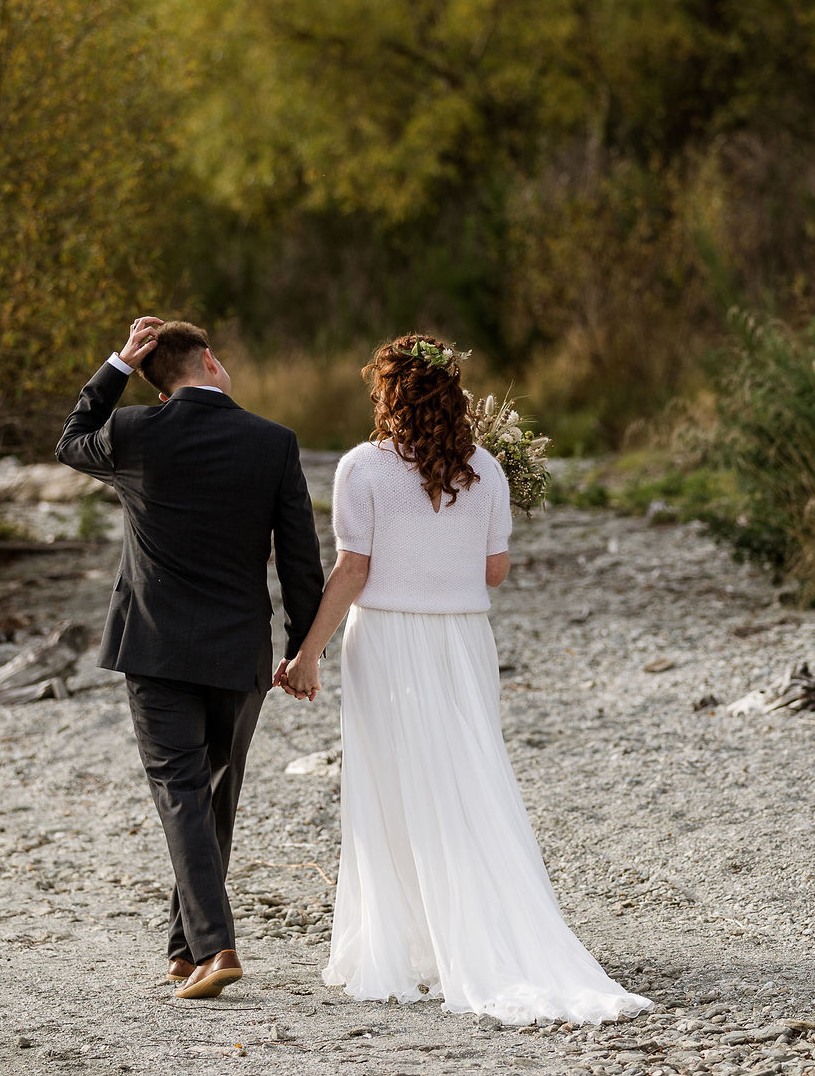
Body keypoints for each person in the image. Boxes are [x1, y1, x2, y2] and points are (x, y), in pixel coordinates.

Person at [275, 334, 651, 1026]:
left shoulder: (361, 467)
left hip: (386, 638)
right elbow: (494, 570)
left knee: (393, 784)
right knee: (468, 775)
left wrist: (307, 653)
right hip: (462, 640)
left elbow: (353, 570)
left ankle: (406, 947)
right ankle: (469, 933)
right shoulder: (486, 469)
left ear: (390, 395)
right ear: (452, 394)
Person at [57, 317, 324, 1000]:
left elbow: (70, 440)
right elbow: (299, 560)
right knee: (212, 800)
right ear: (208, 360)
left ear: (155, 373)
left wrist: (116, 364)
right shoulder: (272, 442)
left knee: (181, 793)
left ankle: (213, 946)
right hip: (239, 651)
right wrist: (303, 649)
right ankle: (186, 949)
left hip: (156, 647)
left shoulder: (135, 432)